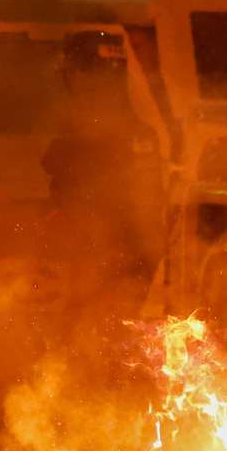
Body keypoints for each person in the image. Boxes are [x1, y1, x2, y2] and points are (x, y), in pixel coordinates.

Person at [41, 31, 164, 317]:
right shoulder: (133, 127)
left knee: (93, 313)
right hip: (105, 241)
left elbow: (54, 164)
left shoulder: (110, 128)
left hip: (107, 241)